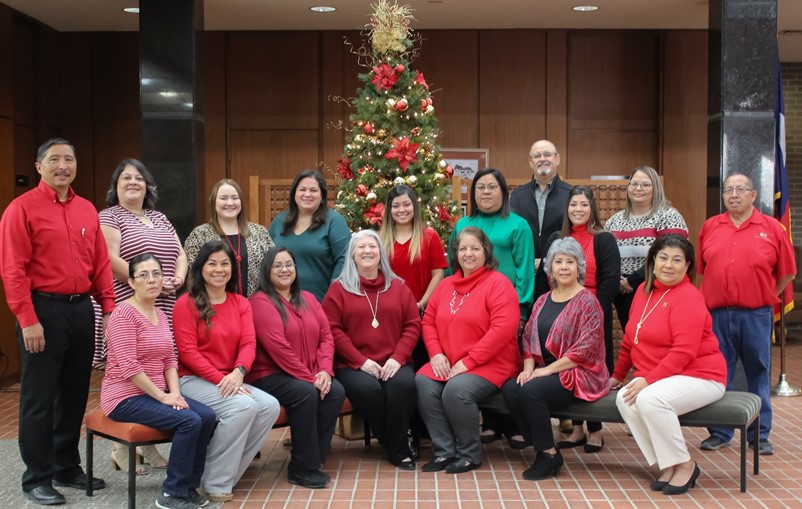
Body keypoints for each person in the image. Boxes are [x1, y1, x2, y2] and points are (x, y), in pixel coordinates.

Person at [0, 138, 115, 505]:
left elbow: (100, 263)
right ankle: (36, 476)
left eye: (69, 159)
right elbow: (13, 270)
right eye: (54, 159)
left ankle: (66, 466)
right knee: (39, 397)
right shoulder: (21, 209)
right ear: (39, 166)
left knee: (74, 392)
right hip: (42, 310)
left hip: (81, 310)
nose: (63, 165)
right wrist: (27, 319)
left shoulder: (86, 209)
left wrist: (108, 309)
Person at [611, 235, 727, 495]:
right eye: (663, 258)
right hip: (664, 376)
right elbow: (630, 339)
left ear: (687, 266)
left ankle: (685, 464)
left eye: (677, 260)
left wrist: (647, 380)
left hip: (701, 375)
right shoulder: (643, 292)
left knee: (649, 399)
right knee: (624, 399)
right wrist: (617, 376)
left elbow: (684, 352)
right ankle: (669, 463)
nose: (668, 265)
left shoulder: (688, 297)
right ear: (653, 261)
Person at [94, 158, 188, 472]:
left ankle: (147, 446)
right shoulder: (109, 216)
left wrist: (177, 278)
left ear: (147, 185)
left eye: (139, 177)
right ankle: (122, 448)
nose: (133, 182)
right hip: (129, 300)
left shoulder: (159, 217)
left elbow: (181, 253)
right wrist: (150, 282)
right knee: (129, 370)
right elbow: (109, 259)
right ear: (116, 186)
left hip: (163, 302)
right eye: (126, 178)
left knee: (158, 364)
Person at [101, 253, 216, 509]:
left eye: (156, 274)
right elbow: (130, 368)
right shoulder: (123, 315)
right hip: (124, 396)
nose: (151, 280)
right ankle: (171, 493)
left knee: (207, 416)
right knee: (189, 421)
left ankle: (188, 488)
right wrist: (164, 397)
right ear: (132, 282)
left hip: (154, 393)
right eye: (143, 275)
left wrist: (176, 394)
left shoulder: (160, 314)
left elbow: (170, 360)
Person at [173, 240, 280, 502]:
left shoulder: (240, 303)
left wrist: (239, 372)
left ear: (233, 268)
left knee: (269, 406)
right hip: (192, 380)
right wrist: (223, 379)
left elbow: (248, 343)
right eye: (212, 264)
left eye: (225, 263)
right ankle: (216, 482)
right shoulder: (185, 304)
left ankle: (221, 474)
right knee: (243, 407)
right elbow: (188, 353)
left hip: (231, 378)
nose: (219, 269)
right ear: (200, 268)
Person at [698, 173, 796, 456]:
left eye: (740, 189)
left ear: (753, 195)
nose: (734, 195)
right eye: (728, 190)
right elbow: (703, 271)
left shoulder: (772, 228)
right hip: (717, 314)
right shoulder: (711, 226)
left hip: (756, 315)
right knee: (719, 373)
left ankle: (759, 435)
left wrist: (763, 292)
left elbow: (788, 273)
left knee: (758, 372)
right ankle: (720, 431)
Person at [502, 238, 609, 481]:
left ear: (579, 267)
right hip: (546, 370)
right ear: (550, 268)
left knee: (531, 392)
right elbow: (528, 339)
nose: (563, 267)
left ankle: (548, 455)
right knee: (511, 388)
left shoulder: (588, 302)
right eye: (558, 262)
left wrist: (546, 371)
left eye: (569, 262)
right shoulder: (542, 300)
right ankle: (541, 444)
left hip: (581, 372)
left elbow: (587, 349)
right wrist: (528, 368)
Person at [417, 227, 521, 474]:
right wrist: (436, 353)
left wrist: (470, 361)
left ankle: (468, 453)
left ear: (486, 251)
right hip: (451, 360)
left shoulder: (499, 284)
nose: (468, 253)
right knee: (423, 381)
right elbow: (428, 321)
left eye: (475, 248)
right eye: (463, 248)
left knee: (456, 390)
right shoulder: (445, 285)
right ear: (456, 254)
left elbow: (502, 329)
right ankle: (444, 450)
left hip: (492, 363)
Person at [247, 248, 346, 489]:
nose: (285, 270)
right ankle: (302, 469)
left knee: (335, 391)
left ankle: (316, 456)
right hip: (270, 374)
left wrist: (325, 371)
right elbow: (279, 349)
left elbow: (326, 336)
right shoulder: (260, 302)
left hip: (307, 373)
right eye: (277, 265)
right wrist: (311, 378)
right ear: (267, 270)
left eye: (289, 264)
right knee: (305, 393)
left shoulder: (308, 298)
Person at [449, 168, 534, 447]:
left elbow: (525, 270)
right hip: (471, 311)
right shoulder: (462, 225)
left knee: (508, 364)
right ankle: (491, 422)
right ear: (472, 193)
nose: (486, 192)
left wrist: (521, 312)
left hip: (507, 311)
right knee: (478, 363)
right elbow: (453, 265)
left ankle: (514, 423)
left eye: (492, 187)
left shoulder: (518, 225)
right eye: (480, 187)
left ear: (503, 192)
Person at [322, 230, 420, 470]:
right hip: (352, 363)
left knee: (403, 386)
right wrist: (361, 361)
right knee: (369, 390)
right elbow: (332, 329)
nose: (367, 251)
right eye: (361, 247)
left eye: (373, 246)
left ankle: (394, 446)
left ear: (381, 254)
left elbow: (412, 324)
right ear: (352, 255)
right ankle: (397, 445)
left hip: (394, 361)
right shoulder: (339, 289)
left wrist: (398, 358)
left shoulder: (398, 287)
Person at [536, 186, 620, 451]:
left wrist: (593, 313)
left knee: (590, 370)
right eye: (574, 205)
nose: (578, 210)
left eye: (584, 205)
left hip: (592, 312)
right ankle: (576, 429)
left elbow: (610, 281)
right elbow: (545, 276)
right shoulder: (556, 237)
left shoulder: (603, 239)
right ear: (567, 208)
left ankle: (595, 430)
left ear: (592, 208)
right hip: (561, 313)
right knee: (565, 369)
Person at [379, 185, 448, 445]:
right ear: (389, 210)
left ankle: (426, 431)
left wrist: (421, 302)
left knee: (421, 372)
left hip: (423, 314)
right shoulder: (380, 240)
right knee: (400, 376)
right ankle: (405, 431)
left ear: (414, 206)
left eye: (406, 204)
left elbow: (438, 274)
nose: (401, 210)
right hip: (391, 320)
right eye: (396, 205)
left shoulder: (429, 237)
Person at [604, 166, 688, 330]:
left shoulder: (668, 216)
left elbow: (673, 256)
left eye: (645, 184)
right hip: (623, 293)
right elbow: (606, 256)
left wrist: (632, 280)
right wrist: (617, 281)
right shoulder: (614, 221)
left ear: (656, 188)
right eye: (634, 183)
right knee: (632, 338)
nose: (638, 188)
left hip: (655, 289)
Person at [269, 170, 351, 302]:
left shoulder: (334, 221)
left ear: (322, 195)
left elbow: (344, 260)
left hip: (321, 303)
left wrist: (332, 296)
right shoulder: (279, 222)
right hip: (280, 303)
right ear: (294, 193)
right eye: (302, 189)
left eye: (313, 190)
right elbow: (267, 260)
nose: (307, 194)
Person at [185, 179, 274, 297]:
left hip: (257, 303)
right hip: (214, 304)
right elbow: (194, 275)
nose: (230, 203)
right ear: (213, 202)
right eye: (223, 198)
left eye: (235, 198)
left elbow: (273, 267)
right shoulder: (199, 235)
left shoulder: (259, 232)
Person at [510, 139, 573, 299]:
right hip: (523, 275)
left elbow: (575, 234)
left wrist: (547, 261)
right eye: (537, 156)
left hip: (559, 276)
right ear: (531, 162)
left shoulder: (571, 195)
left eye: (547, 155)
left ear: (557, 159)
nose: (542, 159)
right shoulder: (516, 196)